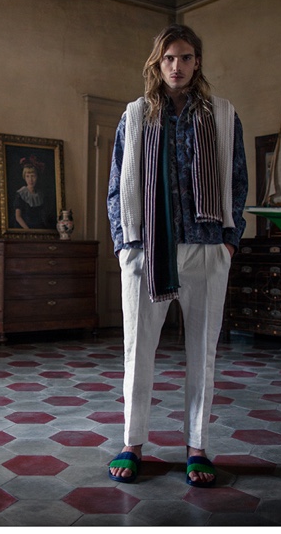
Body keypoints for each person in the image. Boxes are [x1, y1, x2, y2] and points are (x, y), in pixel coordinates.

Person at [105, 24, 248, 488]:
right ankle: (132, 443)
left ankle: (197, 446)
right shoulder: (135, 115)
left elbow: (238, 180)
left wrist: (229, 240)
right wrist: (124, 243)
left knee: (203, 351)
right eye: (168, 58)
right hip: (147, 248)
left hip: (207, 246)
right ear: (157, 62)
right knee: (137, 350)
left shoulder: (223, 115)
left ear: (196, 62)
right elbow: (117, 185)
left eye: (185, 57)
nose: (177, 66)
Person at [13, 156, 50, 229]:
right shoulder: (21, 194)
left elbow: (43, 217)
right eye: (27, 176)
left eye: (33, 176)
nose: (30, 179)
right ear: (24, 177)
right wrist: (29, 231)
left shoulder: (40, 195)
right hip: (26, 229)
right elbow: (18, 217)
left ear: (37, 177)